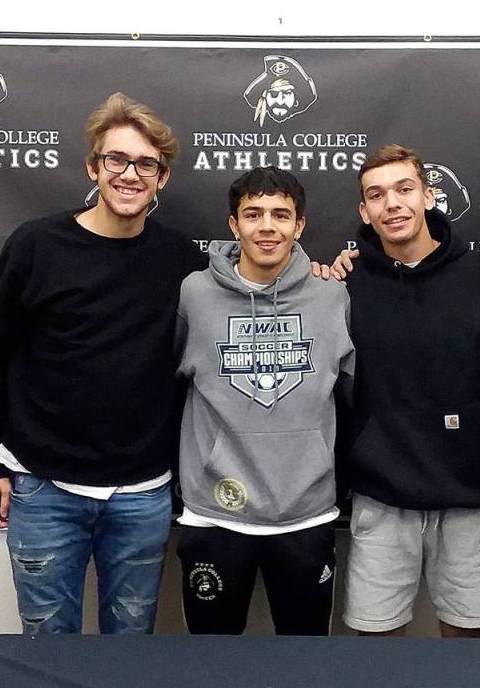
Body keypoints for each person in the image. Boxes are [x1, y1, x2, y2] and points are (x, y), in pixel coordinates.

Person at [0, 93, 206, 635]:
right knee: (48, 648)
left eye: (146, 164)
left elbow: (253, 290)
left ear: (162, 178)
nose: (129, 174)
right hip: (42, 487)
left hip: (143, 492)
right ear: (93, 167)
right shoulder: (35, 246)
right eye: (116, 160)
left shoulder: (182, 259)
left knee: (129, 648)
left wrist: (326, 275)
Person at [175, 166, 354, 635]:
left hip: (306, 514)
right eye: (253, 214)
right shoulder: (194, 294)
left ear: (300, 226)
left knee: (305, 663)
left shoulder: (333, 296)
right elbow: (166, 381)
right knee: (213, 664)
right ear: (233, 225)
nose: (267, 226)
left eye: (281, 215)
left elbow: (357, 394)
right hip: (214, 513)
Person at [335, 144, 480, 638]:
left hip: (465, 496)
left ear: (429, 197)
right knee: (378, 645)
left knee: (465, 645)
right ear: (364, 211)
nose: (392, 204)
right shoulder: (346, 283)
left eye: (404, 189)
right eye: (377, 195)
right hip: (381, 496)